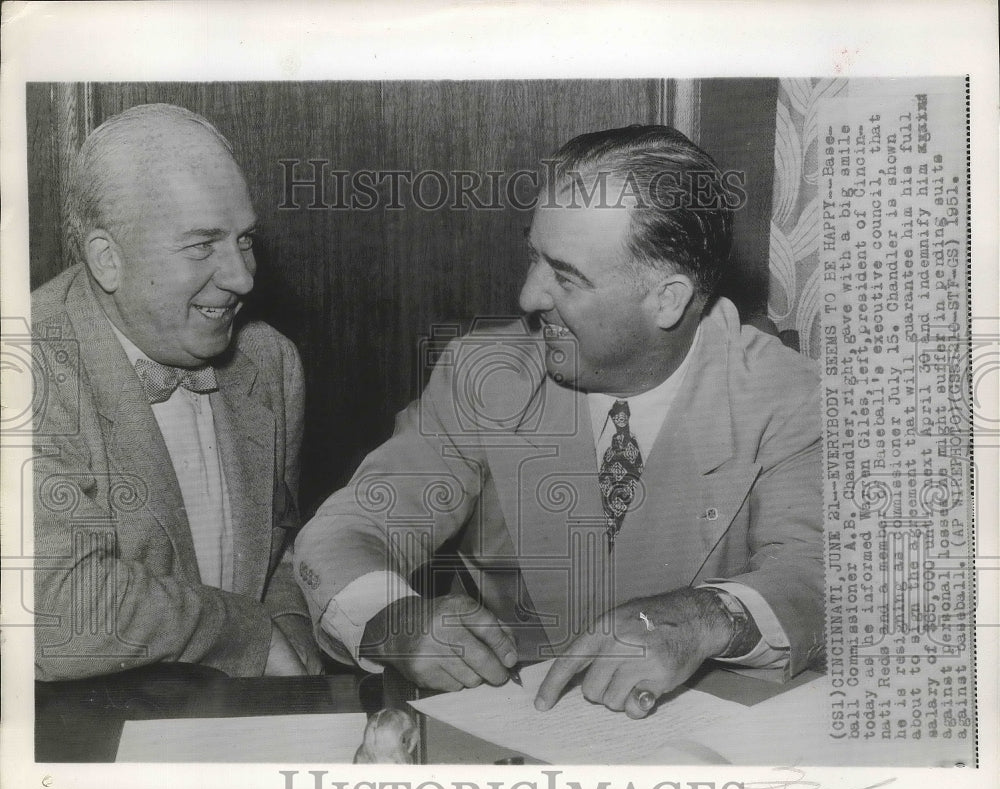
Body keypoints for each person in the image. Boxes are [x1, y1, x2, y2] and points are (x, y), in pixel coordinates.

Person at [294, 125, 823, 717]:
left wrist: (706, 617)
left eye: (566, 276)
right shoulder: (485, 376)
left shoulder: (786, 394)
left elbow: (817, 573)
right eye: (534, 257)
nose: (528, 297)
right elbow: (346, 529)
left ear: (668, 299)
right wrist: (391, 616)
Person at [32, 104, 321, 680]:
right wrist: (250, 637)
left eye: (245, 240)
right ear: (107, 260)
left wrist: (290, 628)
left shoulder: (269, 360)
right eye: (202, 246)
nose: (243, 277)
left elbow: (281, 552)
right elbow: (61, 614)